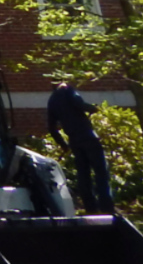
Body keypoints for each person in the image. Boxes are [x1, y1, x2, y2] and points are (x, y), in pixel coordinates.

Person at [47, 80, 114, 214]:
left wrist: (64, 146)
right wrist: (94, 108)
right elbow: (80, 104)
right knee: (101, 172)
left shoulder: (52, 100)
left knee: (83, 175)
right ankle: (106, 207)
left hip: (74, 140)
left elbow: (52, 128)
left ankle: (90, 208)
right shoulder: (68, 90)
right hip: (88, 137)